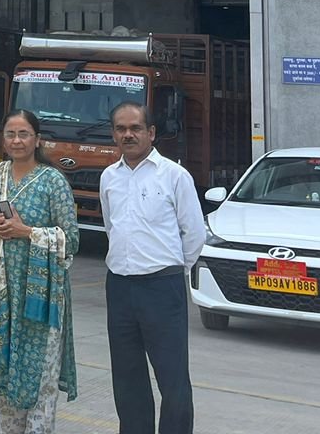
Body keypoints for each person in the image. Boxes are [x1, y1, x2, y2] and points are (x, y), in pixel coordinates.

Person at [0, 109, 78, 434]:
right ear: (3, 139)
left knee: (40, 382)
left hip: (39, 301)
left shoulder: (53, 181)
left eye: (24, 134)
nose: (17, 140)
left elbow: (71, 239)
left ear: (37, 139)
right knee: (1, 380)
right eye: (11, 134)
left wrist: (26, 231)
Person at [99, 101, 206, 434]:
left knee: (172, 379)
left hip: (162, 288)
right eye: (121, 129)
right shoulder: (109, 177)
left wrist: (171, 269)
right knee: (127, 377)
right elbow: (111, 227)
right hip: (120, 287)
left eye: (135, 128)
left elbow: (194, 233)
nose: (128, 135)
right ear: (113, 134)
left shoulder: (174, 176)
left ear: (151, 133)